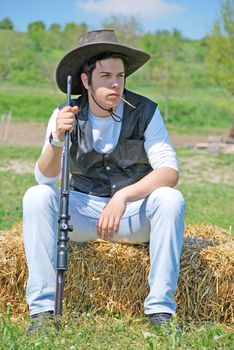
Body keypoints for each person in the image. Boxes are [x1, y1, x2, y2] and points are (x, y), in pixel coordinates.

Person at [23, 29, 185, 333]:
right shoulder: (65, 113)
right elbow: (45, 178)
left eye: (120, 76)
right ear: (86, 81)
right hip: (82, 214)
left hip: (131, 217)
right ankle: (43, 312)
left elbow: (169, 172)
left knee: (170, 199)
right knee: (36, 196)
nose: (115, 83)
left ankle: (160, 311)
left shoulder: (146, 111)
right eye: (106, 75)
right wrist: (57, 139)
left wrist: (123, 197)